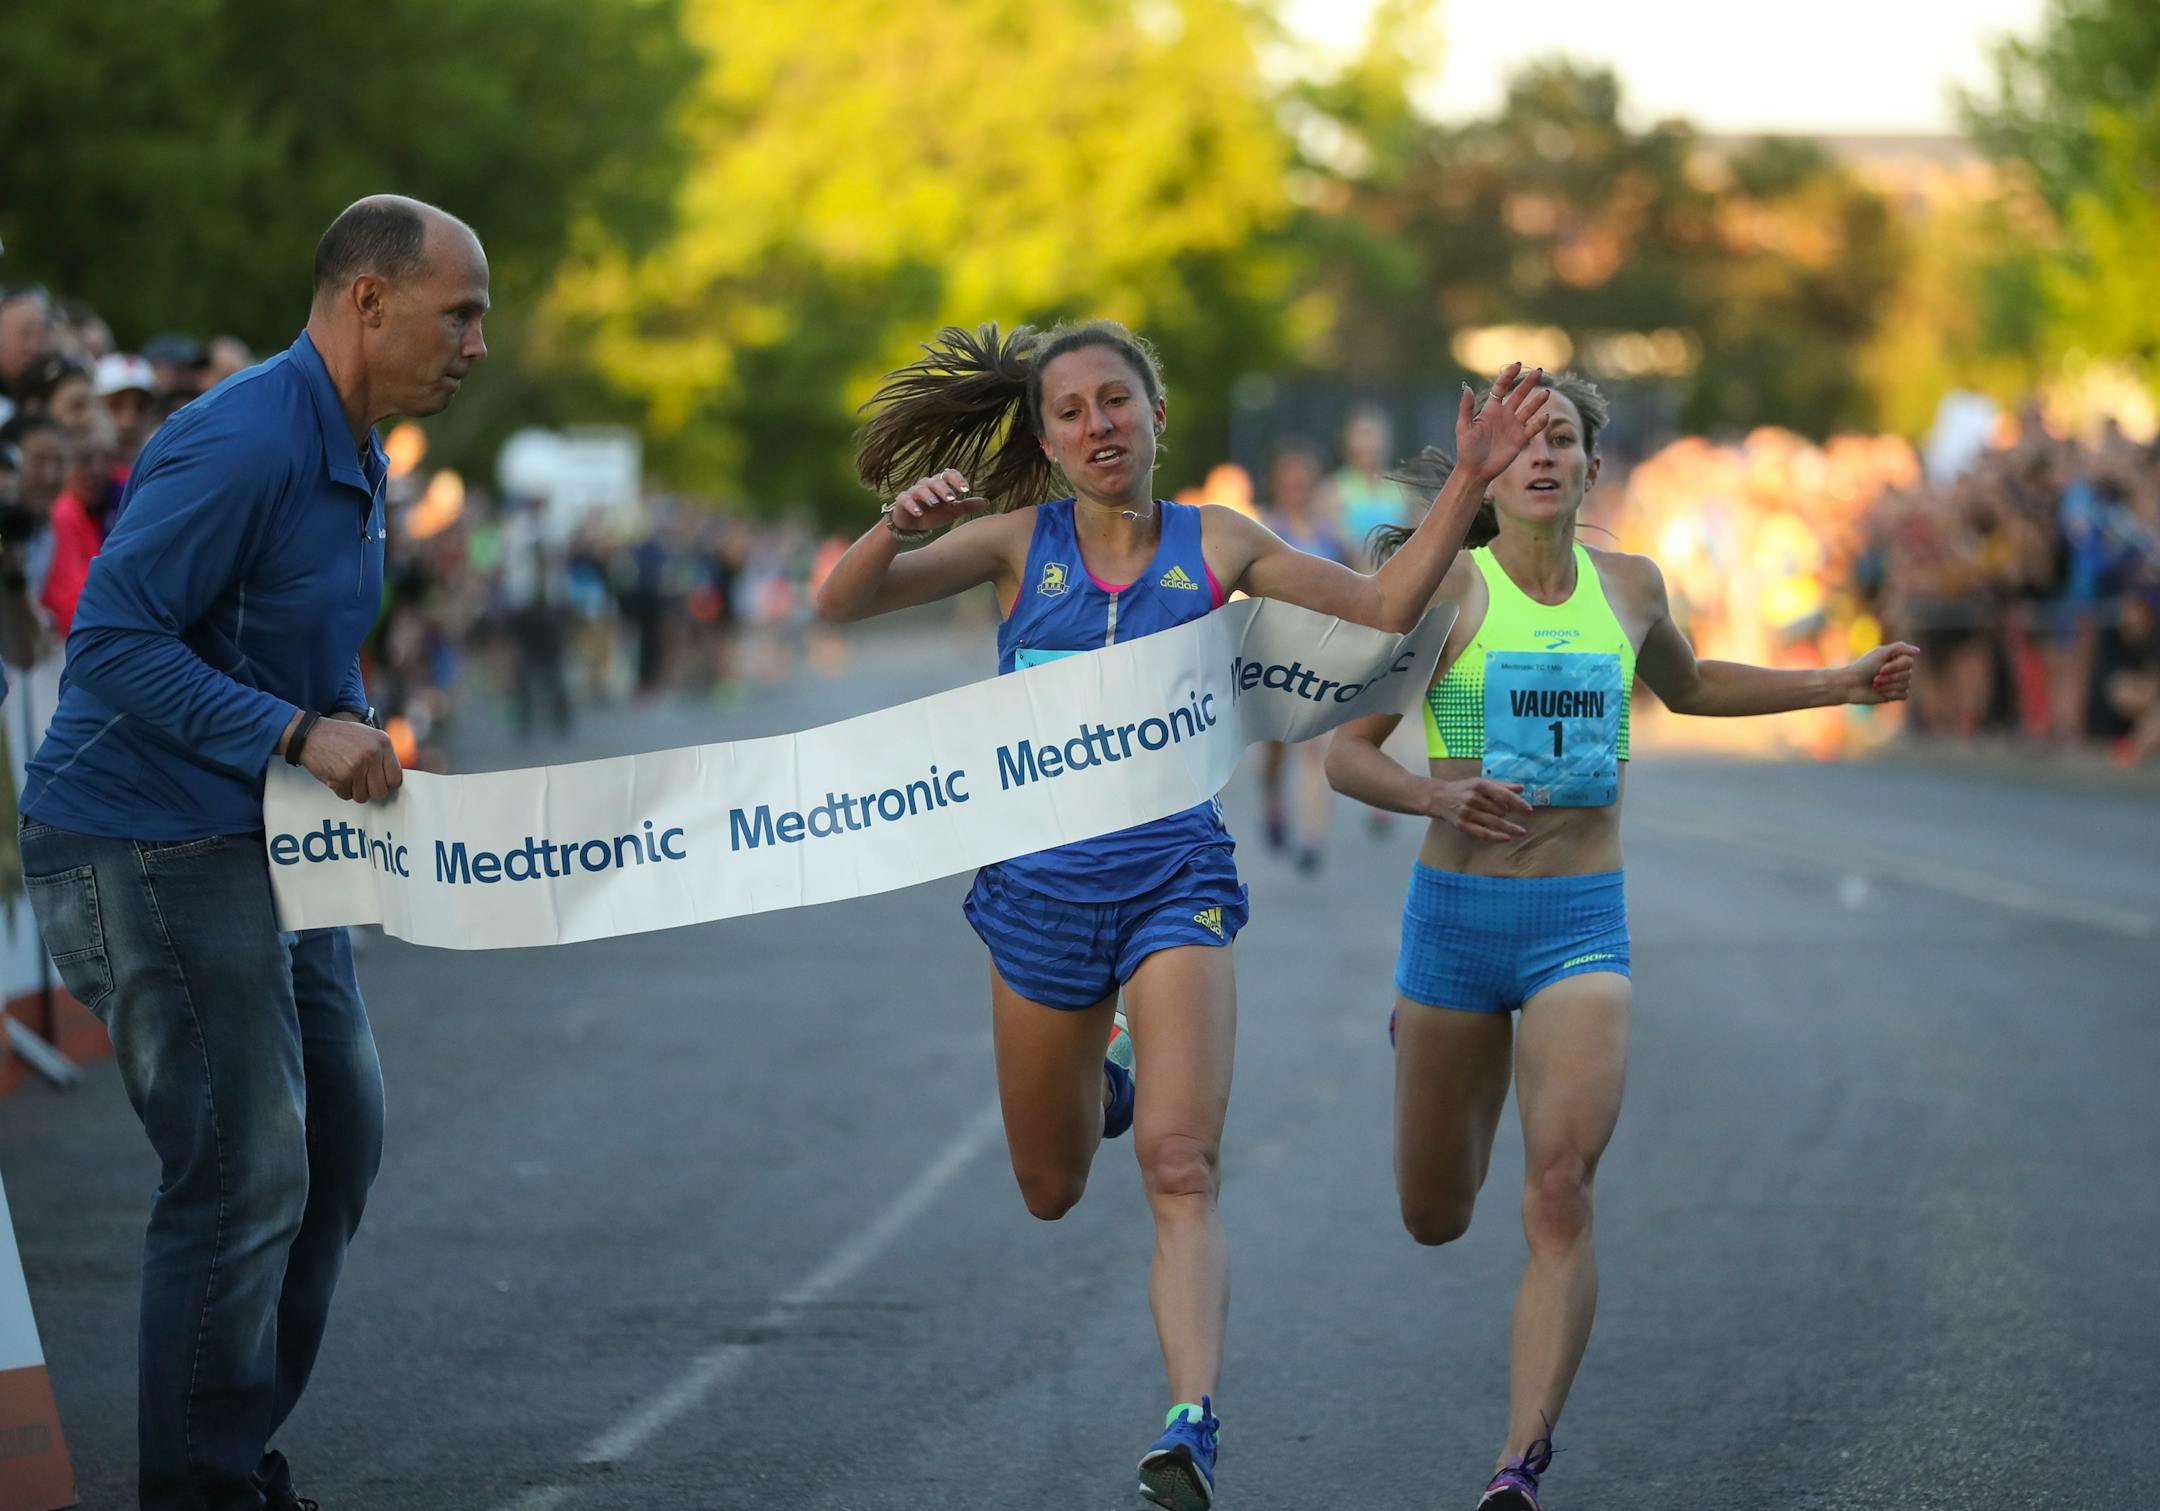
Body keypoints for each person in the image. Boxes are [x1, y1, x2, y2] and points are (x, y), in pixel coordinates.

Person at [816, 319, 1549, 1510]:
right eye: (1072, 410)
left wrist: (1468, 475)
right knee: (1050, 1185)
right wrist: (898, 524)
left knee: (1180, 1161)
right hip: (1039, 894)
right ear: (1046, 440)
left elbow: (1377, 608)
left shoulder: (1219, 542)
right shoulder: (1014, 545)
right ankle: (1101, 1076)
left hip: (1175, 879)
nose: (1099, 423)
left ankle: (1191, 1420)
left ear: (1160, 417)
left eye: (1120, 400)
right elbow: (843, 601)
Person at [1324, 371, 1918, 1511]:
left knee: (1559, 1187)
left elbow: (1690, 690)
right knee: (1434, 1213)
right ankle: (1423, 1029)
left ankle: (1517, 1462)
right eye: (1525, 441)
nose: (1543, 456)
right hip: (1454, 923)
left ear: (1595, 467)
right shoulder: (1449, 585)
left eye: (1565, 439)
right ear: (1491, 468)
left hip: (1577, 926)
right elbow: (1349, 754)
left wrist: (1837, 681)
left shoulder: (1633, 587)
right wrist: (1435, 798)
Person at [16, 193, 489, 1511]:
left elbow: (314, 642)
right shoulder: (241, 440)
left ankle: (227, 1450)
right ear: (369, 302)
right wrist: (294, 730)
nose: (477, 343)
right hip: (142, 840)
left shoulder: (359, 453)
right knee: (244, 1160)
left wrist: (346, 721)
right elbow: (109, 640)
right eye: (462, 313)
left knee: (339, 1136)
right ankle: (203, 1482)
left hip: (268, 836)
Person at [1253, 440, 1344, 871]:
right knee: (1276, 748)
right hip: (1274, 656)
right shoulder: (1266, 531)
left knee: (1313, 746)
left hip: (1319, 653)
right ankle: (1272, 799)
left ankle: (1311, 838)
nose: (1297, 490)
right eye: (1290, 483)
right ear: (1279, 486)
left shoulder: (1329, 536)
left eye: (1304, 483)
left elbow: (1359, 585)